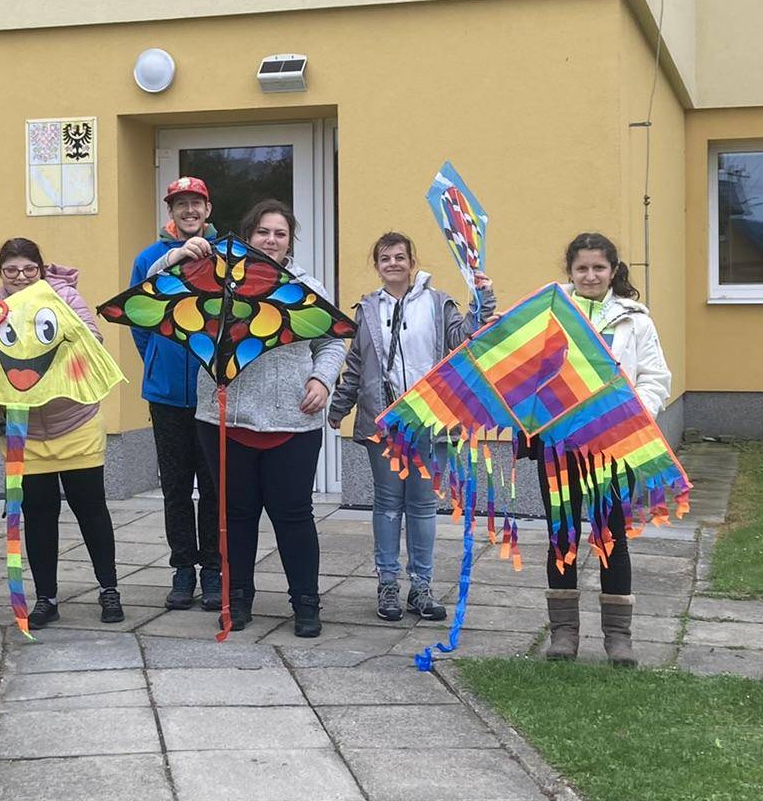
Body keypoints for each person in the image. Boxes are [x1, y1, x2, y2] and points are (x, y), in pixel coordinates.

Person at [151, 199, 345, 638]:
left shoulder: (306, 286)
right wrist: (176, 256)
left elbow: (332, 341)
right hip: (224, 419)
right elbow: (157, 292)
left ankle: (306, 603)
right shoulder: (215, 279)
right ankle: (235, 599)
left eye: (280, 233)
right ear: (248, 235)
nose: (271, 240)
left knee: (293, 515)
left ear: (290, 241)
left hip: (292, 421)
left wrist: (321, 379)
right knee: (236, 515)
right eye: (263, 232)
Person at [330, 232, 496, 623]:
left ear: (412, 262)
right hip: (384, 421)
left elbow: (465, 338)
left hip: (430, 421)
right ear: (377, 266)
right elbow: (356, 364)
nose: (393, 263)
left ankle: (421, 586)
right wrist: (340, 405)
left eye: (399, 257)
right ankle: (387, 584)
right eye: (385, 258)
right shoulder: (368, 309)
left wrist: (483, 297)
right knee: (388, 505)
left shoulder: (438, 303)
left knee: (422, 506)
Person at [0, 239, 125, 629]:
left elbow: (94, 341)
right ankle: (46, 598)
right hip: (26, 432)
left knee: (91, 510)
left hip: (76, 423)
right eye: (11, 270)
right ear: (1, 273)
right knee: (38, 515)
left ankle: (109, 590)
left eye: (29, 269)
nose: (21, 277)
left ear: (40, 268)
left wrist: (56, 323)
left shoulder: (65, 296)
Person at [534, 231, 671, 666]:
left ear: (613, 272)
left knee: (612, 536)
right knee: (562, 536)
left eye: (598, 267)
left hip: (615, 445)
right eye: (582, 268)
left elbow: (655, 378)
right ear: (570, 272)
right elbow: (529, 371)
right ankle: (563, 634)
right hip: (559, 444)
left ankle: (618, 638)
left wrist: (629, 415)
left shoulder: (635, 321)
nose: (590, 275)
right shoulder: (550, 314)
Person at [128, 176, 223, 612]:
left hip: (212, 393)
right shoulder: (149, 258)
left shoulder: (225, 255)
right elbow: (139, 319)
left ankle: (214, 570)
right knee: (176, 488)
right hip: (166, 395)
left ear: (208, 209)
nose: (189, 210)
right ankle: (183, 568)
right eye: (180, 204)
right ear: (171, 210)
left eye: (196, 203)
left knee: (215, 488)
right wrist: (156, 361)